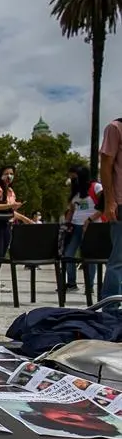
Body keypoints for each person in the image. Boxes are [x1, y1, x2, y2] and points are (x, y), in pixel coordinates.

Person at [0, 165, 33, 293]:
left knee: (1, 254)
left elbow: (9, 212)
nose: (9, 176)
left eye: (11, 173)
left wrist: (25, 219)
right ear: (1, 175)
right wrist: (11, 205)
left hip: (7, 224)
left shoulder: (11, 191)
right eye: (6, 173)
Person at [63, 164, 103, 292]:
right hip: (76, 227)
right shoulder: (75, 193)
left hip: (92, 227)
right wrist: (66, 224)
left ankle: (89, 285)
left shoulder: (96, 187)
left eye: (75, 178)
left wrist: (90, 219)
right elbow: (71, 210)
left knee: (89, 257)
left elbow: (104, 205)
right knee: (68, 254)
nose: (73, 181)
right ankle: (71, 283)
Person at [99, 117, 122, 304]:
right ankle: (111, 308)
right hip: (120, 201)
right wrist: (110, 200)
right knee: (119, 260)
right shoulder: (115, 128)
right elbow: (105, 165)